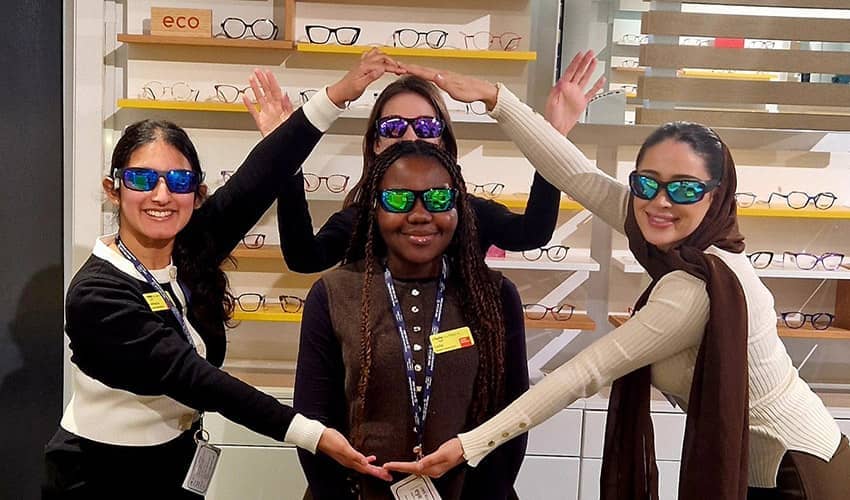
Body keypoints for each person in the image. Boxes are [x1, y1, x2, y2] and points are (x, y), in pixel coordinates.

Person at [383, 51, 850, 499]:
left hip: (800, 474)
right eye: (646, 183)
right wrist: (496, 99)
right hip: (758, 469)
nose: (660, 201)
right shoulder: (682, 244)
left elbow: (584, 372)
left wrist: (470, 445)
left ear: (716, 194)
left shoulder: (696, 287)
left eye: (685, 188)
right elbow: (577, 175)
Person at [43, 85, 397, 497]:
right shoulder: (97, 294)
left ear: (196, 193)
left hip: (174, 459)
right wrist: (312, 434)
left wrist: (335, 98)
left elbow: (254, 185)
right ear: (113, 189)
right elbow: (193, 378)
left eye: (178, 180)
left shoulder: (188, 252)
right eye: (142, 179)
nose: (162, 194)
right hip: (100, 472)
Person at [293, 140, 529, 499]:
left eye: (437, 199)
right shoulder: (333, 293)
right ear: (375, 208)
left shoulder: (495, 295)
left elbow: (512, 423)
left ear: (457, 208)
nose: (420, 214)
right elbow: (312, 423)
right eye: (399, 200)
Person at [245, 49, 562, 274]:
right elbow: (304, 258)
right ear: (376, 142)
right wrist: (285, 150)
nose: (411, 137)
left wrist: (552, 135)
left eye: (425, 126)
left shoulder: (469, 212)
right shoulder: (360, 220)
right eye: (394, 126)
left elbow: (532, 233)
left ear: (443, 139)